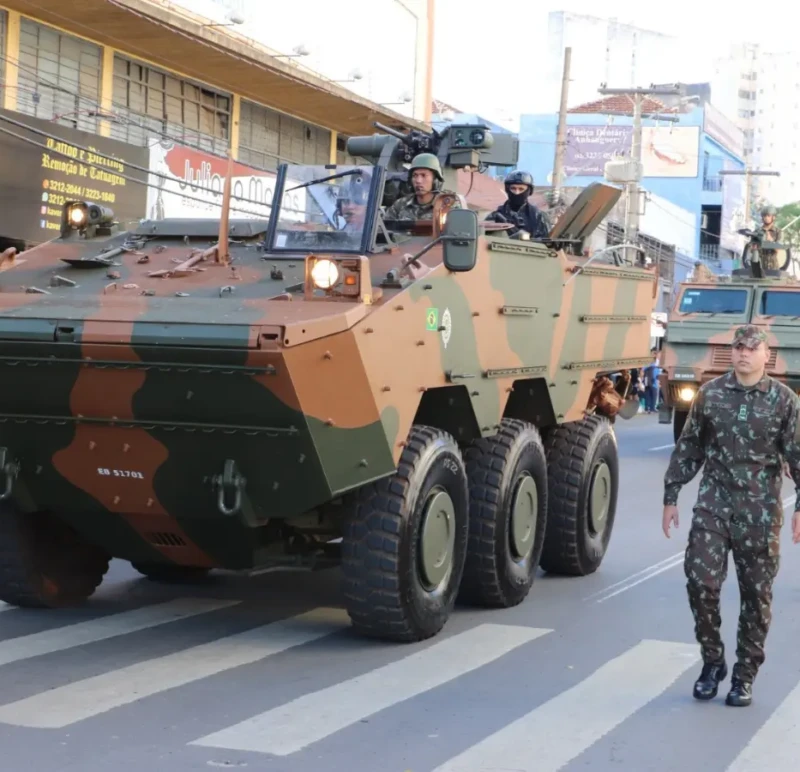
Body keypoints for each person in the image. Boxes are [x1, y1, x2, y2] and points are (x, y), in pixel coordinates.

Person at [662, 324, 800, 707]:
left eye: (752, 348)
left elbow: (797, 455)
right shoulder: (710, 394)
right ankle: (713, 661)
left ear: (766, 355)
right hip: (714, 505)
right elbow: (689, 446)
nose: (743, 353)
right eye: (738, 347)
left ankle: (744, 676)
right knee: (700, 583)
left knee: (756, 596)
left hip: (760, 512)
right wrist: (671, 495)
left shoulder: (784, 401)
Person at [383, 153, 461, 221]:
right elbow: (383, 229)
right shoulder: (400, 205)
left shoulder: (448, 204)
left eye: (424, 175)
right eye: (415, 175)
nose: (418, 181)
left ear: (435, 180)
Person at [485, 171, 551, 239]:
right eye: (513, 188)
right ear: (507, 189)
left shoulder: (539, 216)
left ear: (529, 191)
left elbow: (546, 241)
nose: (517, 193)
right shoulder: (495, 216)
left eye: (521, 189)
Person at [753, 204, 782, 270]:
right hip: (759, 266)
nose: (766, 218)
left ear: (773, 217)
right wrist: (755, 244)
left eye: (768, 215)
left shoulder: (778, 231)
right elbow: (751, 250)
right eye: (764, 216)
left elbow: (778, 250)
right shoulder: (757, 231)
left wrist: (770, 240)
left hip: (773, 267)